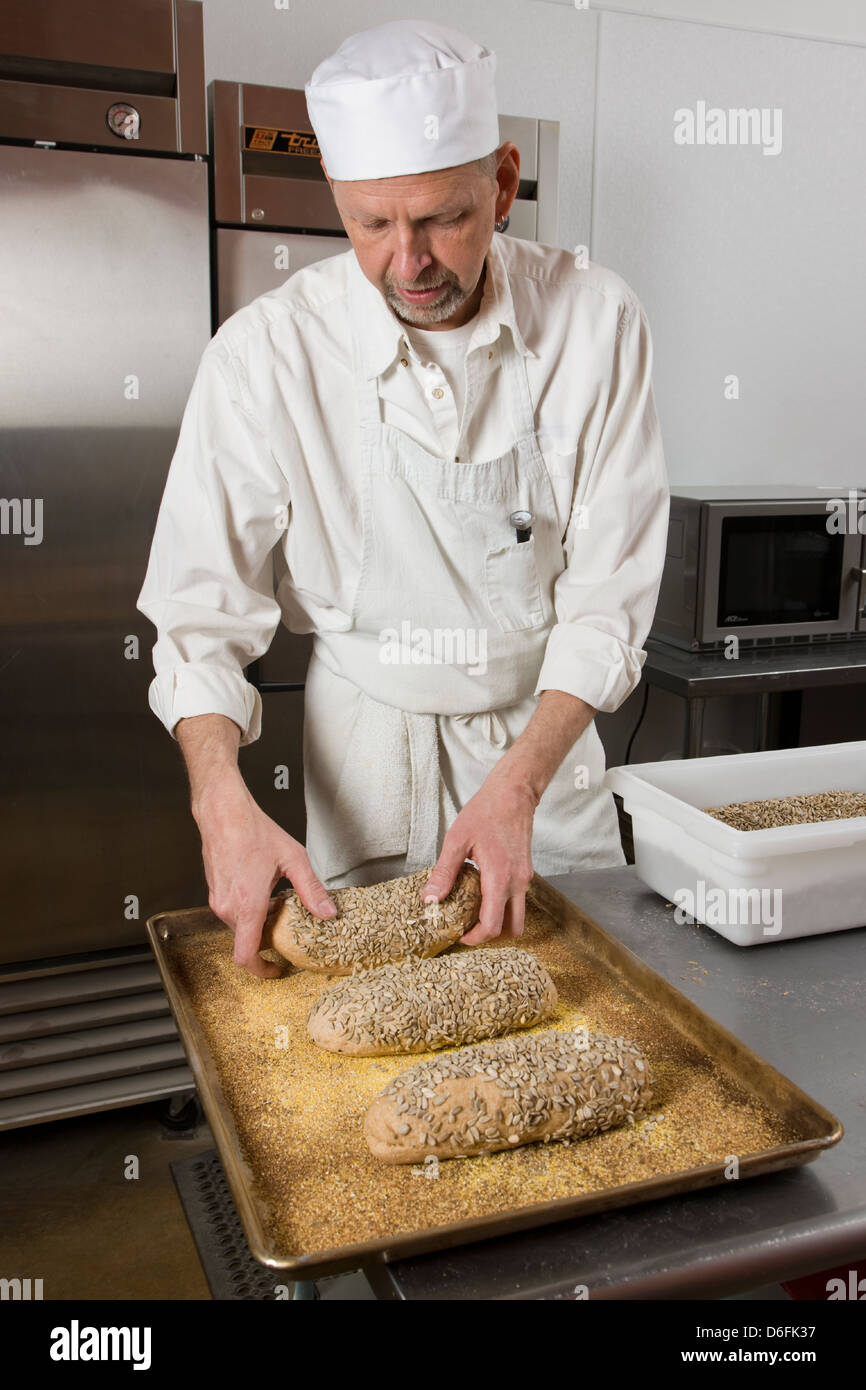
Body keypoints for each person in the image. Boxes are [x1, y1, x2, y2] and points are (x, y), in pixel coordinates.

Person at [137, 19, 670, 977]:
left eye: (442, 220)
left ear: (503, 183)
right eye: (370, 224)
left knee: (578, 1016)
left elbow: (608, 599)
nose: (407, 262)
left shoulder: (597, 322)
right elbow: (198, 615)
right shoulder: (266, 357)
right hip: (365, 763)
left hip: (543, 761)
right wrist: (220, 804)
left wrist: (521, 787)